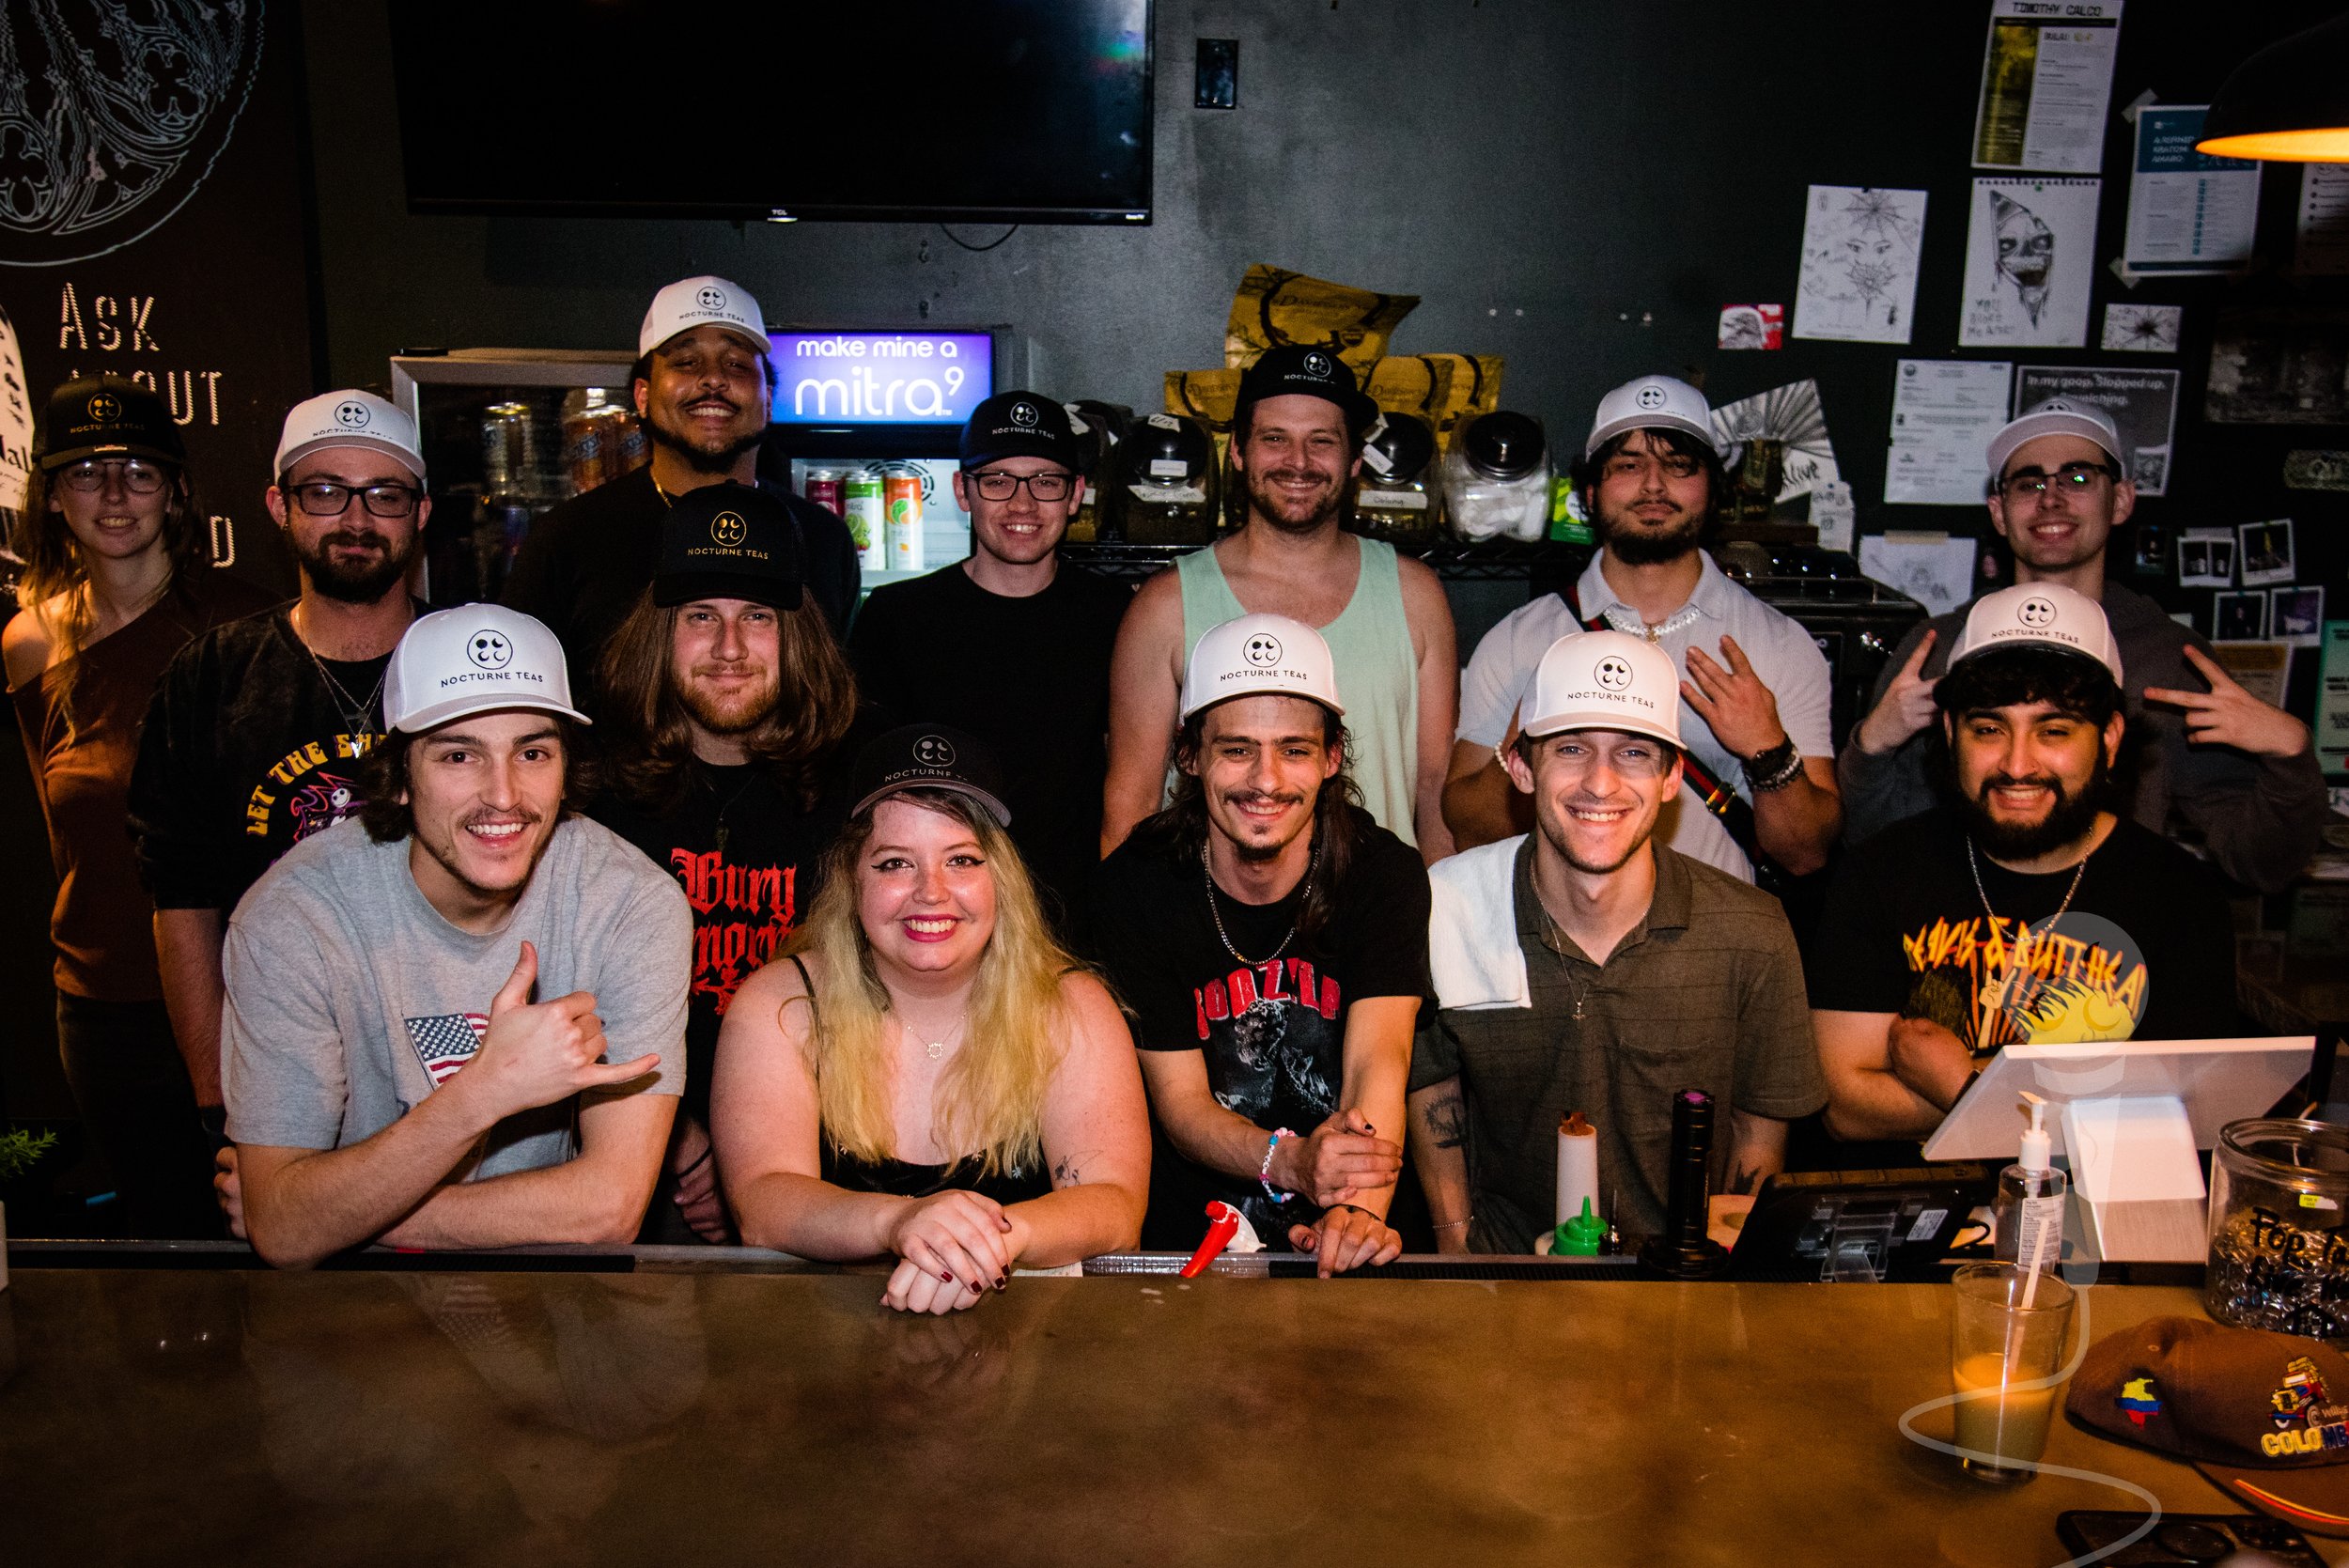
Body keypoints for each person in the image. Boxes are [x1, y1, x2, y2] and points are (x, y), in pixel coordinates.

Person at [215, 606, 689, 1267]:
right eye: (459, 755)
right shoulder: (293, 921)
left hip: (546, 1311)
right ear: (400, 776)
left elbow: (608, 1206)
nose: (504, 794)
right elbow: (289, 1232)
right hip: (347, 1322)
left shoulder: (630, 903)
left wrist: (329, 1214)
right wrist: (483, 1092)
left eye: (533, 752)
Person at [1408, 629, 1824, 1251]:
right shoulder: (1450, 905)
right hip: (1504, 1278)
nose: (1600, 784)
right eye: (1572, 748)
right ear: (1521, 767)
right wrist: (1456, 1245)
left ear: (1671, 777)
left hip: (1675, 1280)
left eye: (1633, 753)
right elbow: (1431, 1086)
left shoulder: (1751, 931)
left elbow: (1757, 1133)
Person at [712, 726, 1149, 1313]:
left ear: (1002, 878)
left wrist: (990, 1239)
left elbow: (1115, 1207)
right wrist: (900, 1221)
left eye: (962, 860)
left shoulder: (1071, 1006)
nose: (931, 892)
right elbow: (763, 1205)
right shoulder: (782, 1005)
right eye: (896, 864)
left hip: (1027, 1353)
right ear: (851, 878)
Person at [1810, 584, 2241, 1144]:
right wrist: (2082, 1107)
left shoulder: (2182, 894)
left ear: (2109, 738)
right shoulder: (1882, 872)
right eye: (1988, 729)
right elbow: (1848, 1108)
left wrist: (1959, 1084)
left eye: (2053, 731)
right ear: (1950, 734)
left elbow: (2174, 1121)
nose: (2017, 764)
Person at [1839, 399, 2325, 893]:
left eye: (2077, 479)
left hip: (2109, 944)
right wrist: (1871, 745)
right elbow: (1872, 847)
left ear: (2120, 501)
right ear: (1999, 513)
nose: (2050, 500)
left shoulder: (2171, 659)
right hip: (1953, 934)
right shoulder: (1935, 651)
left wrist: (2291, 753)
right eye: (2029, 483)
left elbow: (2260, 861)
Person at [4, 376, 276, 1236]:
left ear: (179, 491)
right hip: (101, 1007)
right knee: (159, 1246)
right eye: (87, 471)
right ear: (51, 496)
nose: (114, 495)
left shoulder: (247, 630)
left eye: (139, 471)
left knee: (261, 1239)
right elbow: (63, 829)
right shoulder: (26, 641)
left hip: (241, 998)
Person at [127, 390, 431, 1138]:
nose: (356, 520)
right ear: (278, 504)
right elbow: (183, 900)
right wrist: (216, 1093)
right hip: (274, 1059)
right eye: (325, 492)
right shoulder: (212, 675)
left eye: (384, 494)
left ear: (419, 514)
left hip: (445, 1049)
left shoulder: (474, 664)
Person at [1093, 614, 1428, 1274]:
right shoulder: (1137, 885)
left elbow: (1378, 1062)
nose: (1266, 780)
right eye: (1237, 748)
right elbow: (1182, 1105)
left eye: (1295, 749)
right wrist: (1294, 1162)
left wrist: (1355, 1212)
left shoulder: (1381, 873)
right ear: (1190, 755)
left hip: (1362, 1214)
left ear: (1333, 757)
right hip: (1197, 1244)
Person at [588, 482, 867, 1242]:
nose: (730, 649)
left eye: (758, 617)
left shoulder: (856, 792)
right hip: (634, 1144)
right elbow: (562, 995)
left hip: (820, 1143)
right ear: (659, 631)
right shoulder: (591, 793)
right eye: (700, 617)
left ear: (797, 632)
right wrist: (675, 1133)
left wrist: (759, 1142)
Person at [1443, 375, 1840, 880]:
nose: (1653, 484)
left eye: (1679, 465)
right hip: (1554, 938)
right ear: (1591, 490)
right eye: (1628, 465)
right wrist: (1522, 742)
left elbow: (1804, 854)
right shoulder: (1522, 638)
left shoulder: (1778, 645)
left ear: (1712, 490)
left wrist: (1768, 752)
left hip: (1713, 945)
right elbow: (1469, 830)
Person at [1102, 346, 1457, 861]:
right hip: (1213, 930)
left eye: (1322, 441)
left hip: (1373, 925)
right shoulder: (1165, 605)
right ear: (1240, 452)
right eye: (1275, 439)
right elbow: (1129, 808)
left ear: (1354, 460)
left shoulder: (1416, 595)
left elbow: (1435, 793)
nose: (1299, 462)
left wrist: (1436, 927)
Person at [848, 392, 1131, 935]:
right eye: (997, 480)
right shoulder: (897, 618)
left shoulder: (1118, 617)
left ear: (1076, 495)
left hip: (1077, 918)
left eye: (1045, 482)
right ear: (962, 491)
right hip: (936, 913)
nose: (1022, 505)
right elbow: (865, 795)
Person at [504, 274, 858, 696]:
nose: (712, 380)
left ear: (768, 398)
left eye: (736, 364)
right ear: (642, 396)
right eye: (686, 363)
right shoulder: (566, 539)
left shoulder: (822, 538)